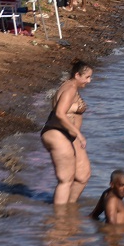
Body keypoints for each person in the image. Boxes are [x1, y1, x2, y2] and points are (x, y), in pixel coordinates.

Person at [40, 60, 93, 204]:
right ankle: (59, 215)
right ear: (77, 75)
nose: (89, 81)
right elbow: (59, 113)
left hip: (69, 135)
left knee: (83, 175)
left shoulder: (72, 87)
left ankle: (69, 210)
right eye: (87, 77)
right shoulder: (69, 88)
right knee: (65, 180)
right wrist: (80, 135)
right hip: (57, 133)